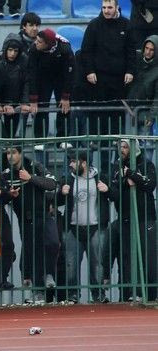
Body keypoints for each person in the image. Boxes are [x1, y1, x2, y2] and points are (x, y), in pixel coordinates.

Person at [2, 147, 58, 303]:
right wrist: (9, 195)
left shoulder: (35, 166)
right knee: (33, 253)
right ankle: (39, 291)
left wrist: (31, 178)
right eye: (8, 153)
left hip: (43, 214)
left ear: (20, 154)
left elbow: (52, 184)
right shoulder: (6, 174)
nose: (10, 156)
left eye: (13, 152)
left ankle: (49, 274)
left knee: (53, 242)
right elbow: (1, 196)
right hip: (25, 219)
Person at [103, 139, 156, 302]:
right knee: (127, 257)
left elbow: (150, 185)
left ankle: (151, 295)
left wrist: (131, 174)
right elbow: (115, 191)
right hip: (125, 217)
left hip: (145, 217)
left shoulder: (146, 164)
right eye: (120, 146)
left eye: (125, 147)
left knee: (148, 256)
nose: (122, 150)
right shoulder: (116, 166)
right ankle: (129, 294)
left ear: (134, 148)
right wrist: (126, 181)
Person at [57, 151, 111, 303]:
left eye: (74, 161)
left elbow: (115, 195)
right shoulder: (68, 179)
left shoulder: (99, 178)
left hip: (95, 227)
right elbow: (57, 201)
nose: (71, 164)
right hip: (73, 227)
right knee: (71, 264)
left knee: (97, 263)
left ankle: (98, 294)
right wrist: (61, 193)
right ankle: (73, 295)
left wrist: (107, 190)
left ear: (84, 163)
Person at [81, 0, 136, 136]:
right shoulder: (94, 25)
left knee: (117, 115)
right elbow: (86, 51)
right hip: (98, 79)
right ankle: (98, 145)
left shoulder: (127, 25)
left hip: (119, 80)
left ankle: (116, 144)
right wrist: (89, 71)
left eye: (110, 7)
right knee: (98, 114)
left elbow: (131, 51)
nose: (106, 10)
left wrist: (130, 71)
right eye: (104, 7)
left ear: (117, 7)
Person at [27, 28, 75, 139]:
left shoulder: (65, 49)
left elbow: (70, 73)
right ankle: (40, 139)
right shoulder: (34, 49)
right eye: (36, 40)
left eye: (39, 42)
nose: (36, 43)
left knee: (64, 106)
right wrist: (33, 99)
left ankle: (62, 139)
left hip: (61, 76)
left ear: (48, 44)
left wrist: (66, 96)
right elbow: (32, 74)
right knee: (41, 106)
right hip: (43, 76)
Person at [0, 33, 30, 138]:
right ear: (5, 49)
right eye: (10, 50)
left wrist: (24, 102)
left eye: (15, 51)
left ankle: (9, 143)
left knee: (12, 130)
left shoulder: (24, 60)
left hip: (16, 101)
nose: (12, 54)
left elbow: (26, 82)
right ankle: (5, 142)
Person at [127, 36, 158, 136]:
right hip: (128, 111)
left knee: (145, 144)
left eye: (152, 50)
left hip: (145, 114)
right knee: (127, 143)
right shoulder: (134, 60)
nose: (148, 52)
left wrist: (151, 116)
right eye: (146, 48)